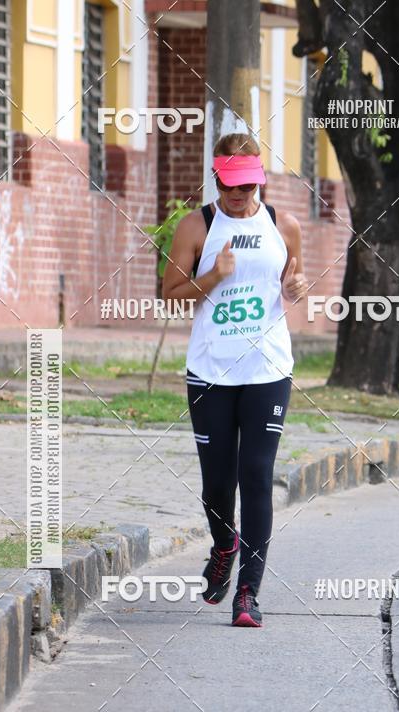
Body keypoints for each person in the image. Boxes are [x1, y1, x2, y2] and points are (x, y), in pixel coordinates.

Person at [162, 132, 307, 627]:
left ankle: (249, 592)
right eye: (230, 187)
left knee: (257, 477)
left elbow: (293, 280)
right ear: (217, 179)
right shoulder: (196, 227)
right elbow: (171, 296)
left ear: (259, 180)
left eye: (248, 186)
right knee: (218, 484)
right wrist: (213, 276)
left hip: (267, 369)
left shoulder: (282, 225)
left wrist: (296, 286)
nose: (239, 196)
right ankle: (224, 546)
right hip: (211, 371)